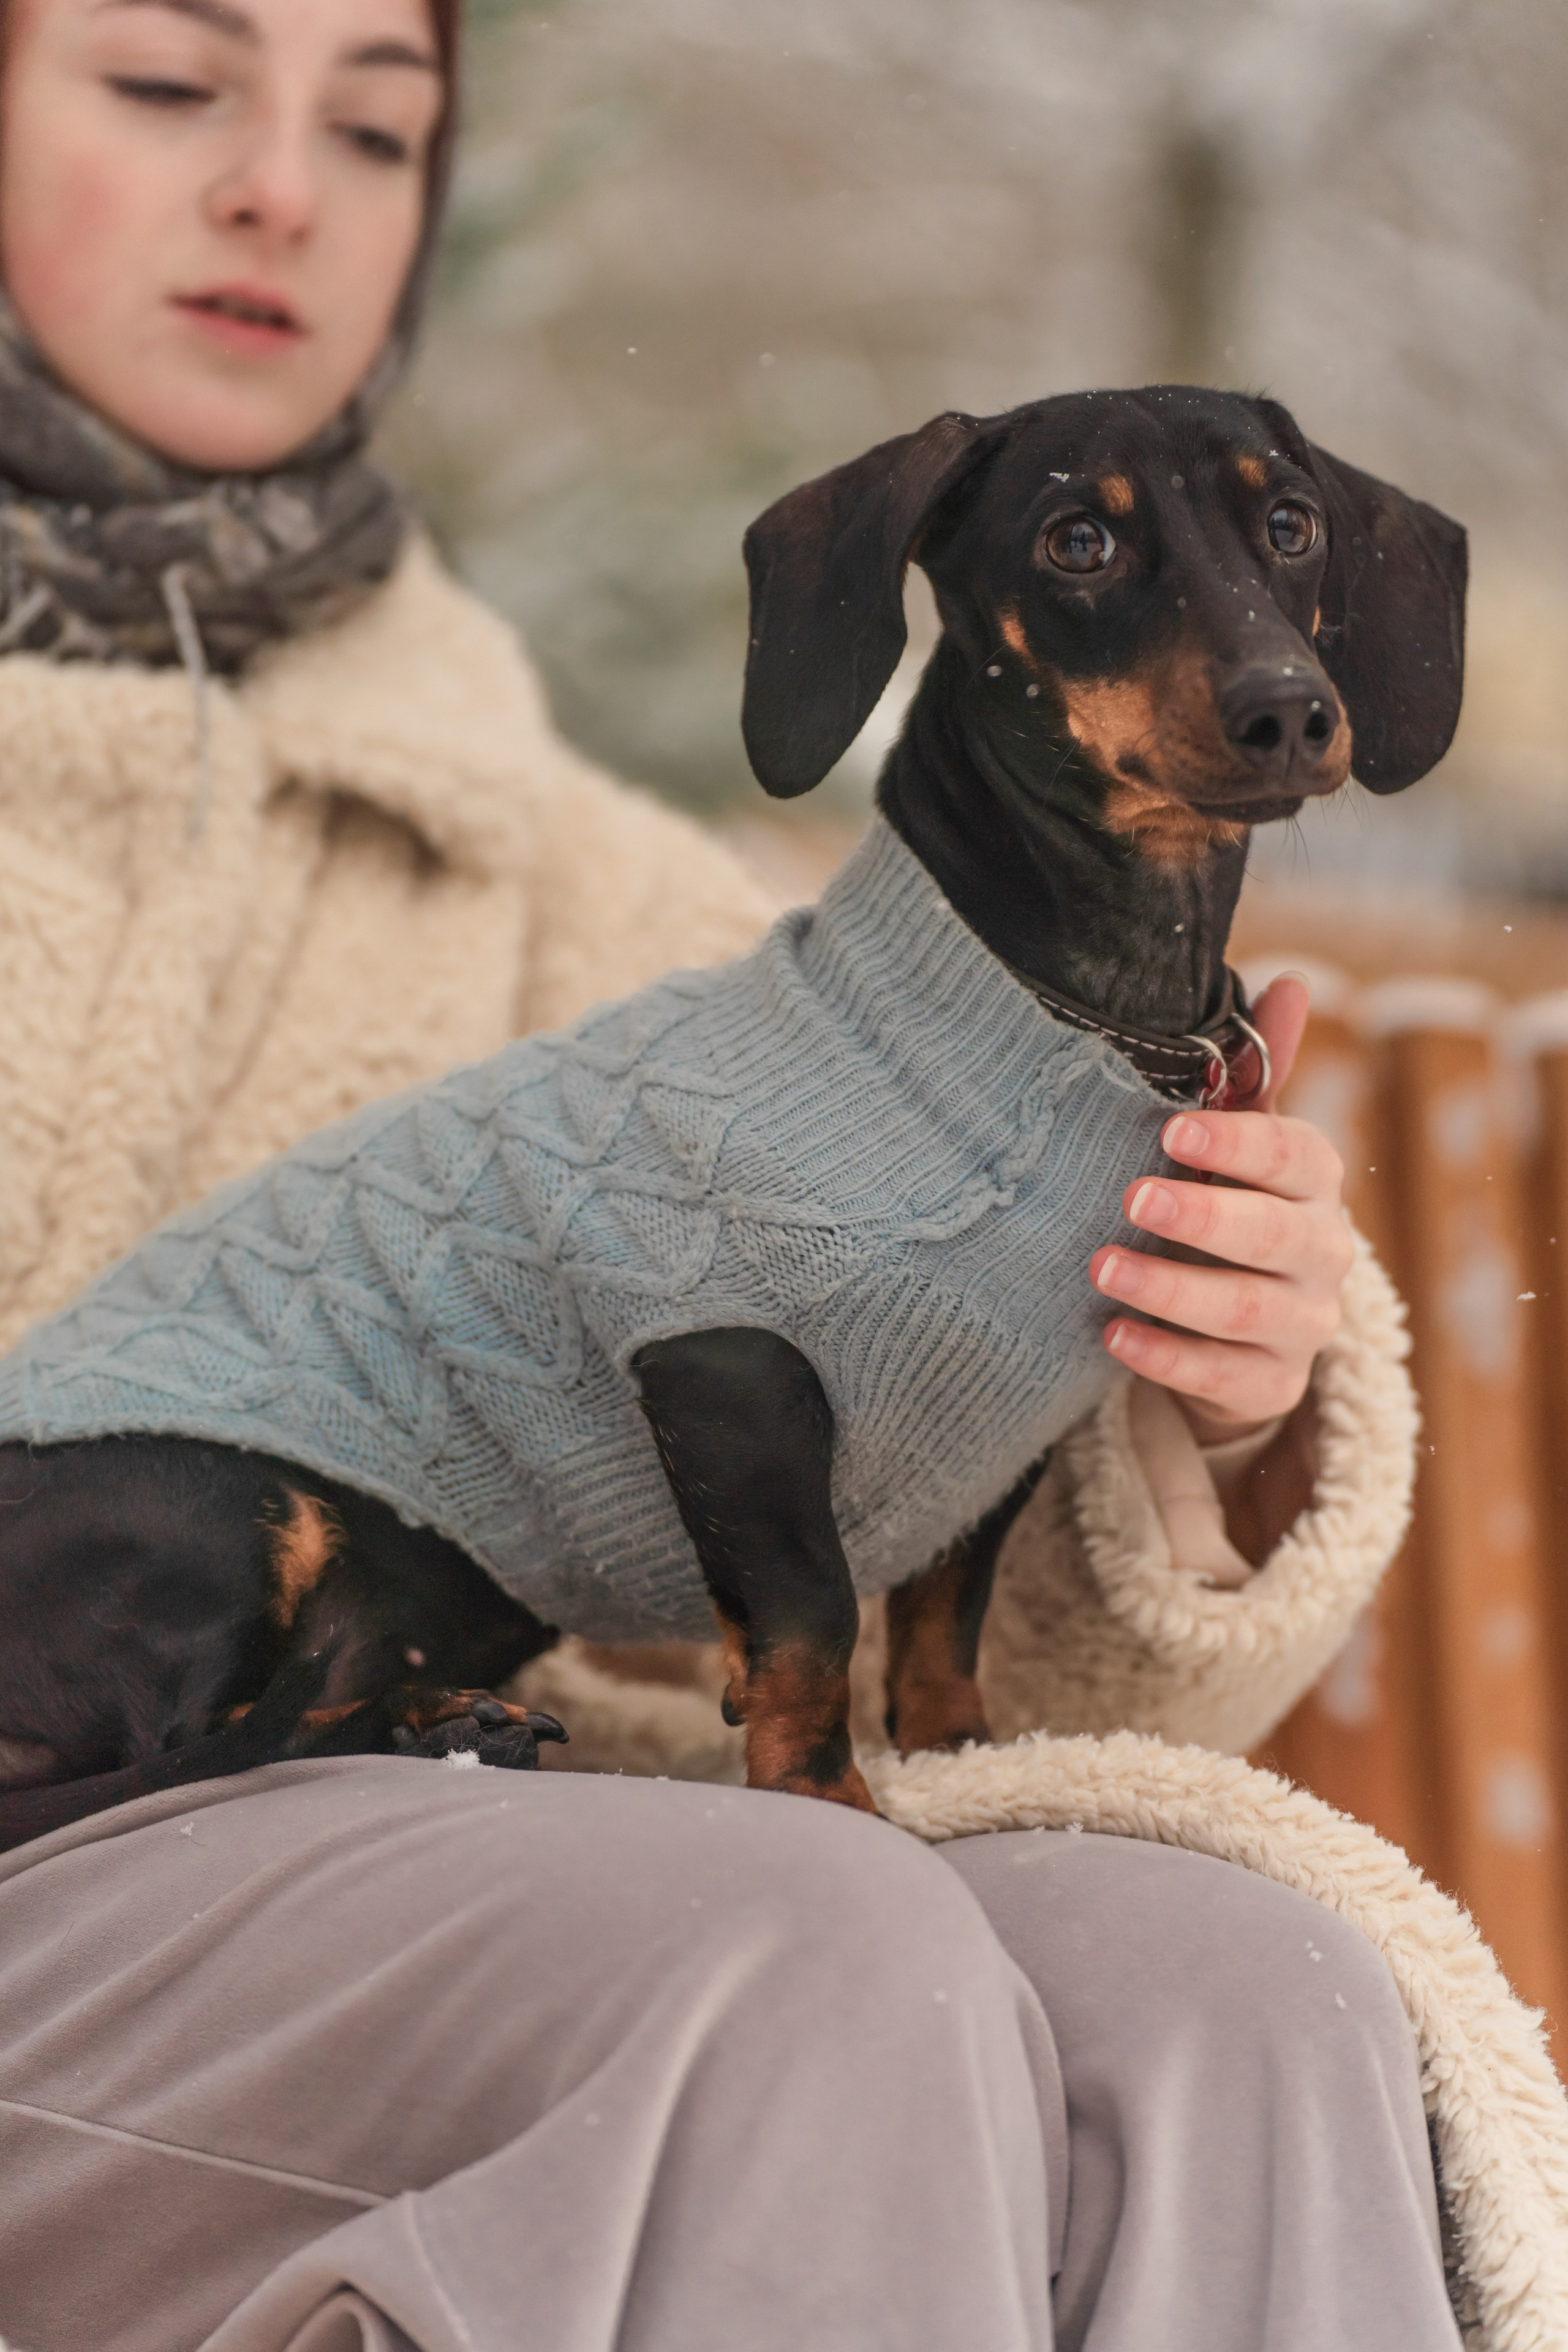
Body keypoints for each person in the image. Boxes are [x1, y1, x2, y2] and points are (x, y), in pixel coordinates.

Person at [0, 2, 1465, 2348]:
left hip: (454, 1788)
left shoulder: (627, 894)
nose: (284, 180)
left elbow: (902, 1446)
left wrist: (1218, 1411)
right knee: (816, 1939)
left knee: (1233, 1994)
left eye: (377, 122)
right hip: (80, 1844)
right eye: (173, 83)